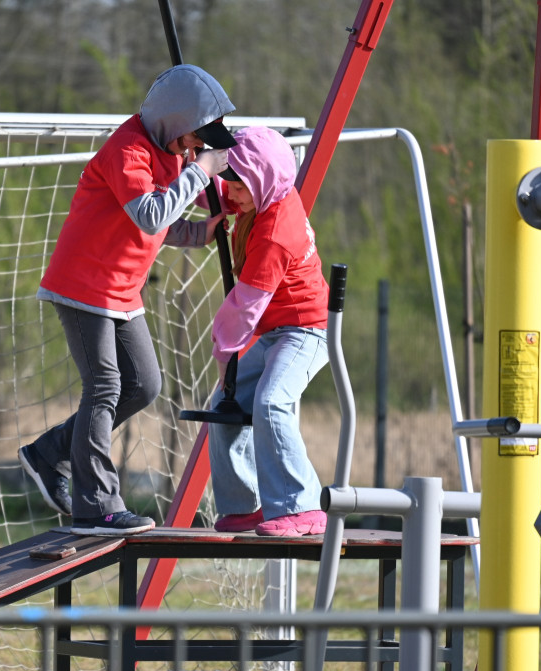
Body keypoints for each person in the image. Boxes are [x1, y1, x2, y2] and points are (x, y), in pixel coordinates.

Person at [19, 64, 237, 536]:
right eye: (194, 138)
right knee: (105, 386)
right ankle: (95, 506)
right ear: (173, 121)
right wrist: (199, 172)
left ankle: (49, 452)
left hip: (121, 289)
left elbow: (162, 223)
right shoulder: (128, 150)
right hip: (83, 285)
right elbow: (149, 215)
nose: (196, 149)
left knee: (144, 384)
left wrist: (198, 232)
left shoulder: (175, 154)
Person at [205, 126, 330, 537]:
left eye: (239, 187)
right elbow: (217, 193)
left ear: (259, 180)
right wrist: (191, 172)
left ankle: (303, 506)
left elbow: (245, 307)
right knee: (224, 406)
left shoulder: (276, 231)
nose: (232, 195)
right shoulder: (261, 193)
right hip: (277, 332)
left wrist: (225, 355)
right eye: (231, 184)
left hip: (307, 331)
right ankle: (244, 505)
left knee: (272, 402)